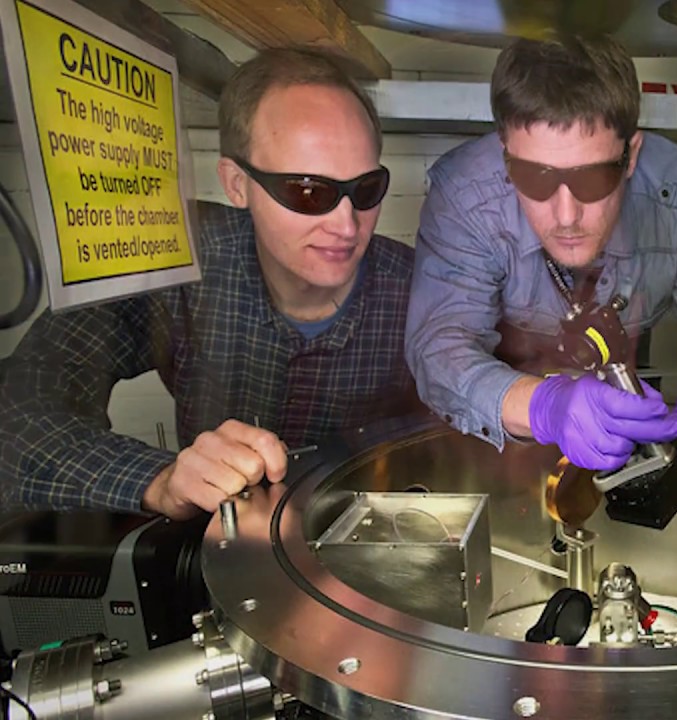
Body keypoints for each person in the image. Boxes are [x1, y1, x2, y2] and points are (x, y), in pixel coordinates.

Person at [0, 47, 419, 519]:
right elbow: (17, 409)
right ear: (236, 184)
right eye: (308, 192)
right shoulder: (178, 259)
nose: (347, 225)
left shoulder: (420, 291)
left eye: (365, 190)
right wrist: (157, 481)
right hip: (209, 560)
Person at [406, 35, 677, 509]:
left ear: (631, 156)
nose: (567, 215)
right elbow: (439, 346)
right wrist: (545, 407)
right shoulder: (465, 195)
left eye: (593, 178)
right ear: (504, 153)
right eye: (535, 178)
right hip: (494, 435)